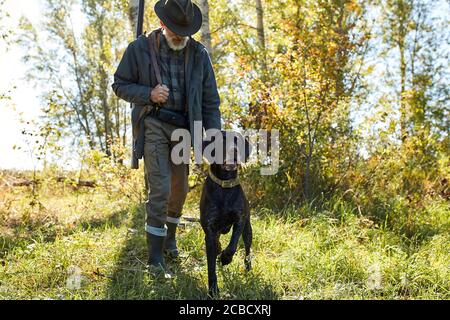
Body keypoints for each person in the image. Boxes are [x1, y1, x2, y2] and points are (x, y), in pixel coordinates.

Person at [112, 0, 221, 272]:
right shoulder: (139, 49)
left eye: (184, 31)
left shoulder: (199, 54)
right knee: (159, 189)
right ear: (162, 24)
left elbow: (210, 101)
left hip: (184, 129)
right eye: (174, 30)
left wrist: (214, 135)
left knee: (179, 191)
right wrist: (148, 94)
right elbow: (120, 84)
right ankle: (155, 258)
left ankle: (170, 240)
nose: (180, 36)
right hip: (154, 125)